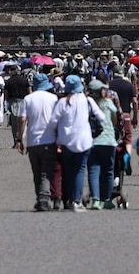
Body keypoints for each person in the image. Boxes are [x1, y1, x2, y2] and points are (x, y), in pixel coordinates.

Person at [50, 75, 105, 212]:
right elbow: (101, 117)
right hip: (84, 140)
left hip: (66, 141)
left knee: (68, 171)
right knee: (80, 171)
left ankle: (68, 199)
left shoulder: (63, 102)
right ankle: (77, 200)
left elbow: (52, 122)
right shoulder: (87, 100)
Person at [18, 73, 59, 212]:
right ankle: (44, 199)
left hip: (33, 140)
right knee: (46, 172)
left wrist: (19, 139)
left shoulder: (28, 99)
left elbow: (23, 120)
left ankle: (39, 198)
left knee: (36, 171)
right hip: (49, 138)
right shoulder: (53, 98)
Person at [87, 78, 119, 210]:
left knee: (94, 170)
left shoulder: (87, 103)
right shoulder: (107, 103)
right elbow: (115, 119)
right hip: (108, 139)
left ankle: (95, 199)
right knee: (109, 170)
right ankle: (107, 199)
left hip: (92, 140)